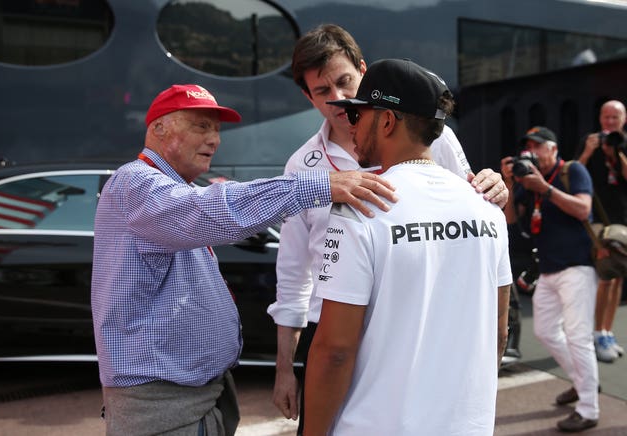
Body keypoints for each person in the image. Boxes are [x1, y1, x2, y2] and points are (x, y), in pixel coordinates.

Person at [91, 83, 398, 436]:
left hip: (192, 397)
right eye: (201, 126)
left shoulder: (171, 187)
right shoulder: (136, 181)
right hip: (166, 405)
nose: (214, 140)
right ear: (158, 128)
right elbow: (211, 212)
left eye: (217, 130)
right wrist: (317, 186)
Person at [266, 24, 509, 434]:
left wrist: (493, 190)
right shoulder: (300, 165)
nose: (340, 101)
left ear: (363, 71)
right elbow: (293, 272)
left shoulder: (440, 139)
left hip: (410, 323)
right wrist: (285, 368)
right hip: (329, 325)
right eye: (323, 91)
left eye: (345, 83)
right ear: (308, 97)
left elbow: (467, 200)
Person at [502, 126, 599, 432]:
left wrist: (544, 188)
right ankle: (582, 382)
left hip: (578, 267)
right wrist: (508, 181)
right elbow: (510, 220)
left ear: (554, 148)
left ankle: (588, 409)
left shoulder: (573, 170)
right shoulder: (525, 182)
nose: (531, 152)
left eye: (538, 146)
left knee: (578, 336)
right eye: (527, 147)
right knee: (544, 332)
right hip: (547, 269)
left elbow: (584, 209)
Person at [576, 99, 627, 363]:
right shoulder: (590, 141)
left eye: (614, 118)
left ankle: (607, 330)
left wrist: (615, 154)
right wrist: (588, 151)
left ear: (623, 120)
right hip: (597, 220)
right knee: (606, 275)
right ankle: (596, 333)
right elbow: (573, 175)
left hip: (622, 219)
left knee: (618, 276)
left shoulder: (622, 143)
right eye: (606, 117)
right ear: (600, 119)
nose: (609, 123)